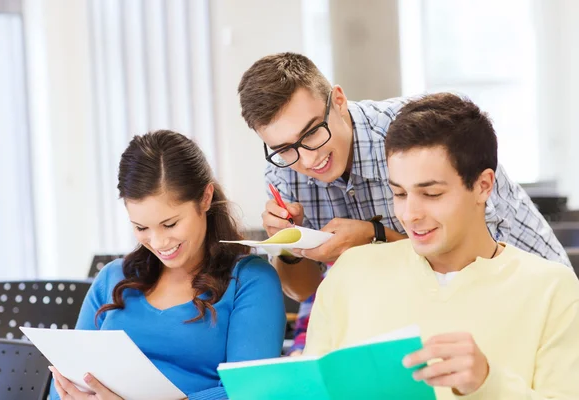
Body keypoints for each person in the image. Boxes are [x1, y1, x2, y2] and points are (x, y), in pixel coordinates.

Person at [237, 52, 571, 305]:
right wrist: (289, 245)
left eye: (313, 132)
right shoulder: (284, 171)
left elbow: (480, 264)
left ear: (338, 101)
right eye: (284, 148)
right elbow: (303, 290)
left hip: (527, 295)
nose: (308, 158)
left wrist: (374, 238)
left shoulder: (419, 134)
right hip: (426, 308)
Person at [303, 94, 579, 399]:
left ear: (483, 186)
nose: (410, 215)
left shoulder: (553, 289)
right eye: (400, 194)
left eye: (431, 194)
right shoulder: (350, 273)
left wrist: (489, 383)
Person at [49, 130, 286, 400]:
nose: (159, 242)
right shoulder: (112, 278)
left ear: (205, 198)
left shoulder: (251, 280)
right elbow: (64, 385)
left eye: (170, 224)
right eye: (141, 227)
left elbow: (252, 393)